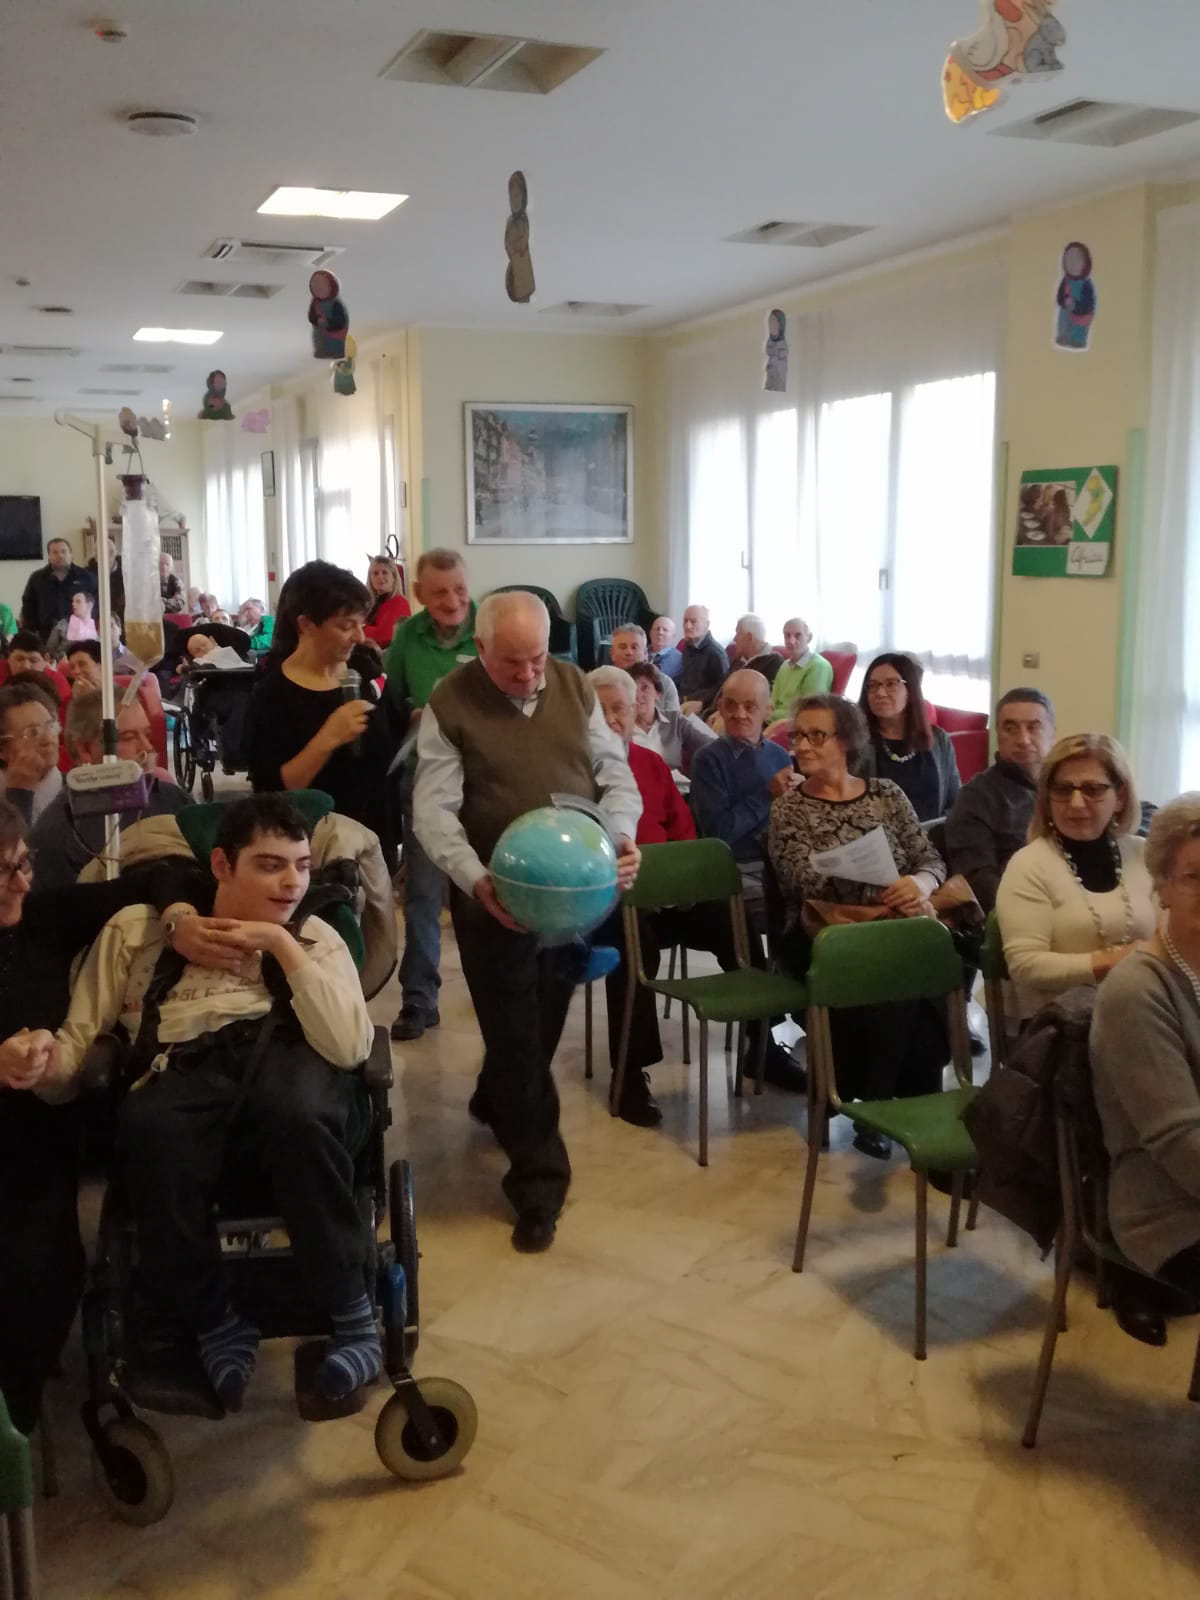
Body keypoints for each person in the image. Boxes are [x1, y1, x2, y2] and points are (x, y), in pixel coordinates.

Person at [14, 794, 378, 1411]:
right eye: (269, 865)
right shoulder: (136, 931)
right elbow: (78, 1043)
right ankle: (215, 1319)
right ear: (221, 865)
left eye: (301, 866)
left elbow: (349, 1048)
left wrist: (279, 943)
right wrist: (46, 1068)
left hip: (281, 1062)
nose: (291, 883)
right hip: (180, 1066)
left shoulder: (315, 935)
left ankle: (353, 1314)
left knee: (300, 1117)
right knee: (147, 1128)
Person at [413, 591, 641, 1252]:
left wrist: (620, 835)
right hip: (494, 898)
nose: (528, 673)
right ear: (480, 648)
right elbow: (433, 810)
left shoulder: (573, 685)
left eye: (538, 657)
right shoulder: (450, 702)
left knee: (539, 1024)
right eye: (512, 662)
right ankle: (539, 1185)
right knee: (515, 1034)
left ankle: (495, 1096)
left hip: (572, 896)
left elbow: (613, 773)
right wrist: (475, 879)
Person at [0, 800, 224, 1434]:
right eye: (4, 872)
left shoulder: (43, 919)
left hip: (29, 1142)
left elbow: (167, 875)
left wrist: (177, 919)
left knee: (37, 1275)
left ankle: (14, 1433)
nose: (21, 882)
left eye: (24, 864)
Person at [768, 694, 950, 1156]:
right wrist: (882, 891)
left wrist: (918, 884)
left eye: (816, 735)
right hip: (822, 933)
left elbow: (929, 857)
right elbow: (801, 879)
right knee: (896, 968)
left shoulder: (887, 794)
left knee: (914, 964)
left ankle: (886, 1102)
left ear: (846, 740)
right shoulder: (789, 808)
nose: (802, 746)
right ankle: (878, 1107)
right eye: (797, 736)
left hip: (891, 925)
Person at [1091, 795, 1200, 1305]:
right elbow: (1182, 1144)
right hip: (1167, 1210)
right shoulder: (1138, 991)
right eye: (1195, 877)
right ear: (1163, 885)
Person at [383, 549, 479, 1042]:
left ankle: (501, 993)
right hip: (424, 778)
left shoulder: (488, 627)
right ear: (419, 593)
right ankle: (419, 998)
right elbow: (390, 706)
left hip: (485, 781)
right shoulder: (406, 636)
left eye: (460, 589)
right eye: (440, 592)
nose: (453, 601)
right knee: (422, 894)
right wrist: (413, 715)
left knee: (487, 888)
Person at [996, 732, 1155, 1023]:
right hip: (1060, 1027)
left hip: (1141, 1010)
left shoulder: (1144, 854)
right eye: (1062, 789)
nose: (1077, 803)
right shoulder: (1029, 865)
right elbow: (1026, 965)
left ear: (1120, 797)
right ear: (1047, 798)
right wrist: (1119, 960)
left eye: (1093, 789)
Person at [247, 561, 395, 866]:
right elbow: (273, 793)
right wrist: (328, 738)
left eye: (361, 624)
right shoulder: (273, 694)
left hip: (376, 841)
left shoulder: (364, 672)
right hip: (313, 853)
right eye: (346, 626)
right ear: (306, 625)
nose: (359, 636)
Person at [31, 686, 190, 891]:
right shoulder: (57, 836)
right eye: (129, 737)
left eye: (147, 735)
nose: (147, 748)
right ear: (86, 749)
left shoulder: (172, 799)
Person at [690, 669, 791, 921]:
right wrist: (767, 795)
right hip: (736, 865)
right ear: (720, 708)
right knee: (770, 913)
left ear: (768, 711)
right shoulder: (708, 759)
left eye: (750, 706)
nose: (739, 714)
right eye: (731, 705)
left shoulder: (780, 756)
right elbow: (718, 833)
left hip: (780, 862)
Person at [944, 688, 1056, 912]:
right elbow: (979, 883)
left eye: (1033, 727)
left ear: (1053, 734)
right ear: (997, 735)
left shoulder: (1068, 787)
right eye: (1010, 729)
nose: (1023, 740)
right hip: (1022, 911)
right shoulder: (977, 797)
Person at [859, 652, 960, 823]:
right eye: (873, 685)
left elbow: (955, 801)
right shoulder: (857, 741)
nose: (880, 693)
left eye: (891, 684)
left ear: (911, 690)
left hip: (932, 835)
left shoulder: (938, 740)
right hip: (877, 836)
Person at [627, 661, 716, 775]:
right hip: (636, 785)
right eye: (632, 689)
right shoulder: (621, 727)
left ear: (658, 693)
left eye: (645, 688)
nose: (638, 695)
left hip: (676, 784)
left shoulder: (675, 720)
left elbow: (712, 746)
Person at [0, 681, 63, 822]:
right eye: (32, 732)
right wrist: (18, 792)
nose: (48, 739)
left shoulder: (78, 788)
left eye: (50, 727)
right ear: (2, 750)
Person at [20, 538, 97, 645]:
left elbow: (97, 603)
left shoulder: (86, 577)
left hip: (80, 635)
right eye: (55, 552)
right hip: (45, 635)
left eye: (63, 551)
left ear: (71, 554)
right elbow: (28, 606)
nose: (60, 555)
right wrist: (32, 631)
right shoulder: (37, 578)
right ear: (49, 556)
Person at [767, 618, 833, 726]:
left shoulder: (818, 666)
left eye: (798, 635)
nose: (791, 641)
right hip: (772, 721)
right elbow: (773, 699)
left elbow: (809, 710)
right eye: (787, 635)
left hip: (794, 726)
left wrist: (767, 715)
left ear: (809, 638)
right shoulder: (785, 665)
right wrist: (765, 711)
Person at [609, 623, 680, 711]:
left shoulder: (665, 684)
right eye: (623, 647)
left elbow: (674, 719)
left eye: (634, 647)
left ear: (645, 654)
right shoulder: (601, 683)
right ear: (612, 654)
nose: (629, 652)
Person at [677, 604, 729, 713]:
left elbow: (723, 688)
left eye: (693, 621)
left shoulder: (716, 653)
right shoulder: (687, 646)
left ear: (707, 624)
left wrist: (702, 702)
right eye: (685, 621)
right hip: (681, 702)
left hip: (701, 708)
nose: (688, 626)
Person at [362, 555, 411, 649]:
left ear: (394, 577)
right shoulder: (371, 604)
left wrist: (362, 628)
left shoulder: (399, 601)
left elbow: (384, 636)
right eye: (375, 573)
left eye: (384, 572)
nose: (380, 577)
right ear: (370, 579)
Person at [46, 589, 100, 656]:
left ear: (89, 605)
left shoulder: (97, 626)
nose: (73, 604)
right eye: (73, 601)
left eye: (78, 601)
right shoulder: (62, 625)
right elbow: (50, 649)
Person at [88, 536, 124, 628]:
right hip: (96, 622)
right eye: (96, 553)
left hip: (121, 621)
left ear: (113, 553)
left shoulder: (126, 573)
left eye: (110, 552)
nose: (97, 557)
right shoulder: (87, 574)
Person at [649, 616, 682, 682]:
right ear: (650, 633)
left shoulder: (676, 658)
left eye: (665, 630)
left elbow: (655, 679)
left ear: (673, 636)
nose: (660, 632)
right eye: (657, 629)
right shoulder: (641, 650)